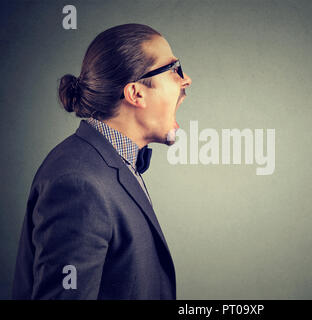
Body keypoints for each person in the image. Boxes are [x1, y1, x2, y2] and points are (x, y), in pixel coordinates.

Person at [12, 23, 192, 299]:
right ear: (136, 93)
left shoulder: (111, 163)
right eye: (173, 69)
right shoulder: (79, 183)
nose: (186, 79)